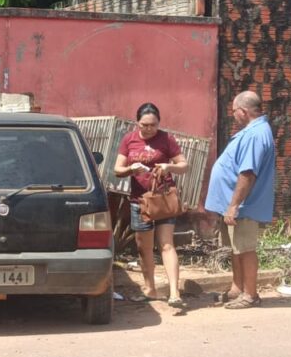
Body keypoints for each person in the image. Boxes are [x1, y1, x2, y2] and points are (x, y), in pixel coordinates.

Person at [205, 90, 275, 309]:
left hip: (244, 205)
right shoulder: (253, 131)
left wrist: (234, 205)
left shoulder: (256, 135)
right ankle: (237, 288)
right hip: (234, 204)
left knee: (245, 249)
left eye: (234, 111)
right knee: (237, 248)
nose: (233, 115)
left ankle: (251, 294)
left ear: (243, 111)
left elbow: (247, 174)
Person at [114, 103, 189, 307]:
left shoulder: (166, 139)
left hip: (162, 199)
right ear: (137, 122)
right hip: (139, 201)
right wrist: (131, 169)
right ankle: (150, 289)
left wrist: (168, 166)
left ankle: (174, 293)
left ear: (159, 123)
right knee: (143, 248)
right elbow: (116, 169)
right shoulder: (129, 139)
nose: (148, 128)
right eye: (144, 124)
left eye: (153, 125)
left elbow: (184, 165)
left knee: (166, 244)